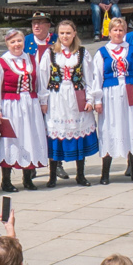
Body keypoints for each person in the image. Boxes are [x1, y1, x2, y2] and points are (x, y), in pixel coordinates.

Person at [40, 19, 99, 188]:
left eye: (68, 33)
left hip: (76, 97)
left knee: (78, 131)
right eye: (62, 33)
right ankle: (52, 176)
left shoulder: (82, 53)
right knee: (55, 132)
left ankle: (80, 174)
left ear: (74, 34)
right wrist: (43, 101)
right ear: (57, 35)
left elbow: (89, 77)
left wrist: (90, 99)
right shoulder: (50, 53)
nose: (65, 36)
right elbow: (43, 78)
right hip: (56, 98)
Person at [0, 29, 47, 192]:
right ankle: (6, 180)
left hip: (30, 104)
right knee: (11, 140)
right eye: (13, 42)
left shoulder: (31, 59)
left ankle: (28, 178)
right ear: (7, 44)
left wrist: (43, 101)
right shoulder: (1, 63)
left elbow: (40, 83)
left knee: (30, 137)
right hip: (11, 105)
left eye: (19, 41)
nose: (17, 45)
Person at [91, 20, 133, 184]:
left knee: (132, 128)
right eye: (115, 30)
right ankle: (105, 173)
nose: (118, 33)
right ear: (109, 32)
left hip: (131, 91)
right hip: (110, 95)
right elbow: (97, 77)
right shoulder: (102, 53)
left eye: (121, 30)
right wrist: (97, 99)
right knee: (109, 129)